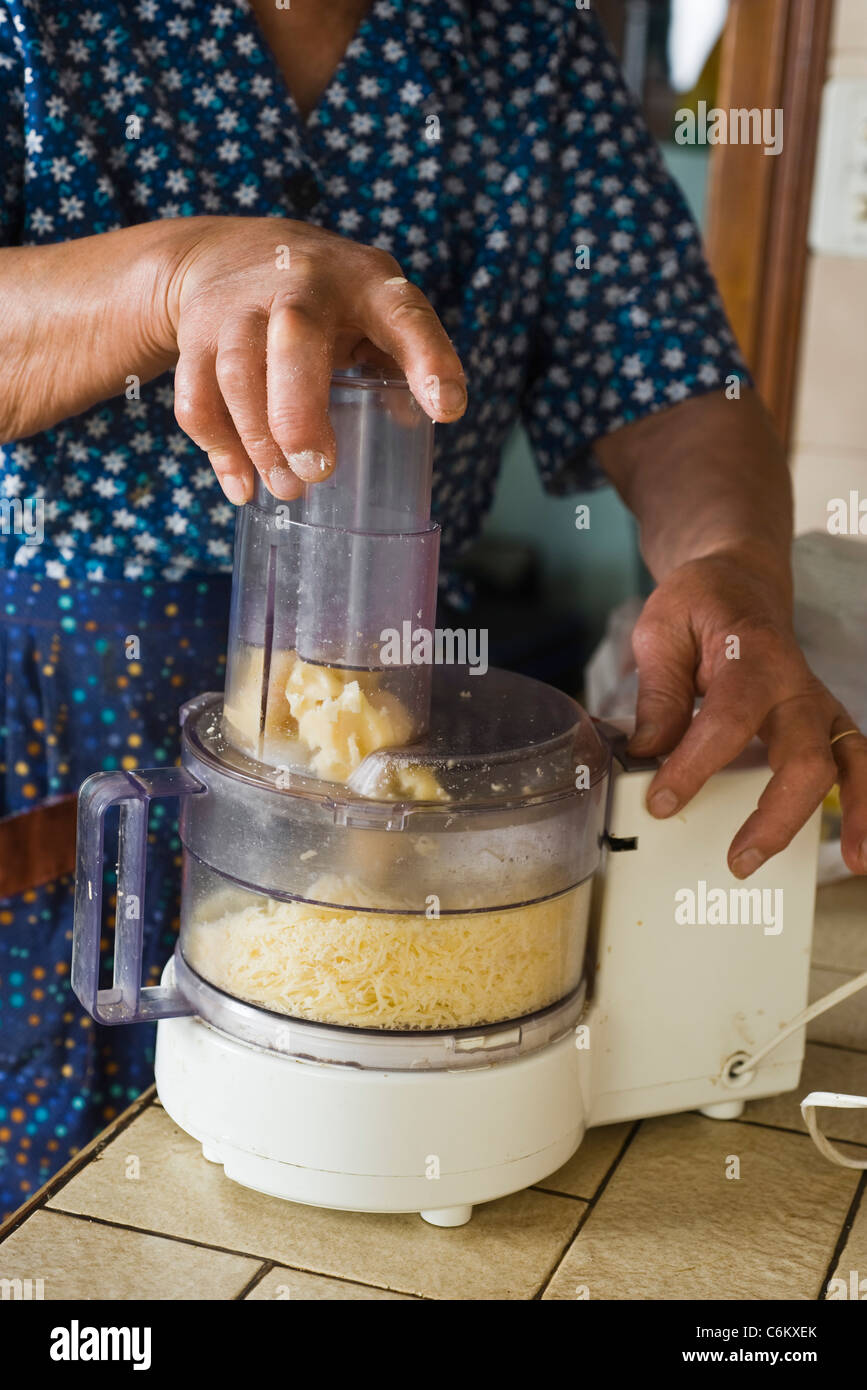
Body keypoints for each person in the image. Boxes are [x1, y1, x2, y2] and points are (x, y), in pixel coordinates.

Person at [0, 0, 864, 1220]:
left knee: (340, 1169)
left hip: (394, 706)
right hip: (58, 704)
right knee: (70, 1194)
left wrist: (731, 567)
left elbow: (673, 382)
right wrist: (167, 277)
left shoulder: (526, 51)